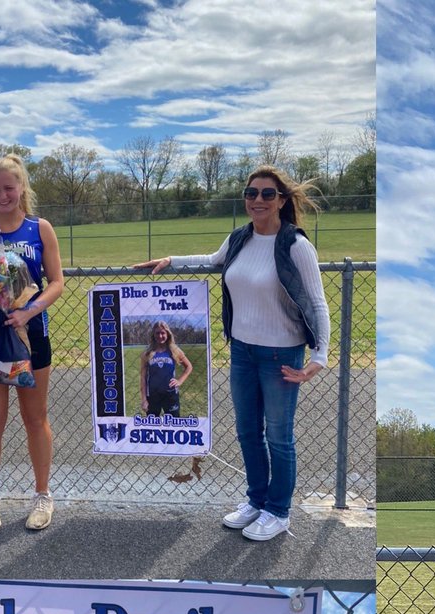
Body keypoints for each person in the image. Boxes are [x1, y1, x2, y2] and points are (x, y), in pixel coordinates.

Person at [133, 165, 331, 542]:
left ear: (282, 201)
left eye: (267, 194)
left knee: (278, 436)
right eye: (251, 193)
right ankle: (257, 501)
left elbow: (319, 305)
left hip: (281, 355)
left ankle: (278, 511)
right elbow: (213, 259)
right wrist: (171, 261)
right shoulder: (240, 238)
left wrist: (318, 358)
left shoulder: (296, 245)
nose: (257, 200)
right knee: (247, 432)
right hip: (242, 351)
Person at [0, 154, 64, 532]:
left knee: (35, 420)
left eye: (9, 187)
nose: (3, 195)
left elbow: (56, 282)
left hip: (30, 335)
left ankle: (42, 495)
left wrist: (26, 311)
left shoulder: (41, 228)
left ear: (22, 188)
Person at [139, 322, 193, 418]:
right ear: (153, 334)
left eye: (163, 333)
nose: (160, 336)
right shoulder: (147, 353)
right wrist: (144, 399)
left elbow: (189, 366)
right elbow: (143, 378)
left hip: (170, 394)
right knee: (152, 426)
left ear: (168, 334)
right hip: (152, 395)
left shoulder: (174, 350)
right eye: (157, 333)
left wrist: (180, 381)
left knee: (174, 424)